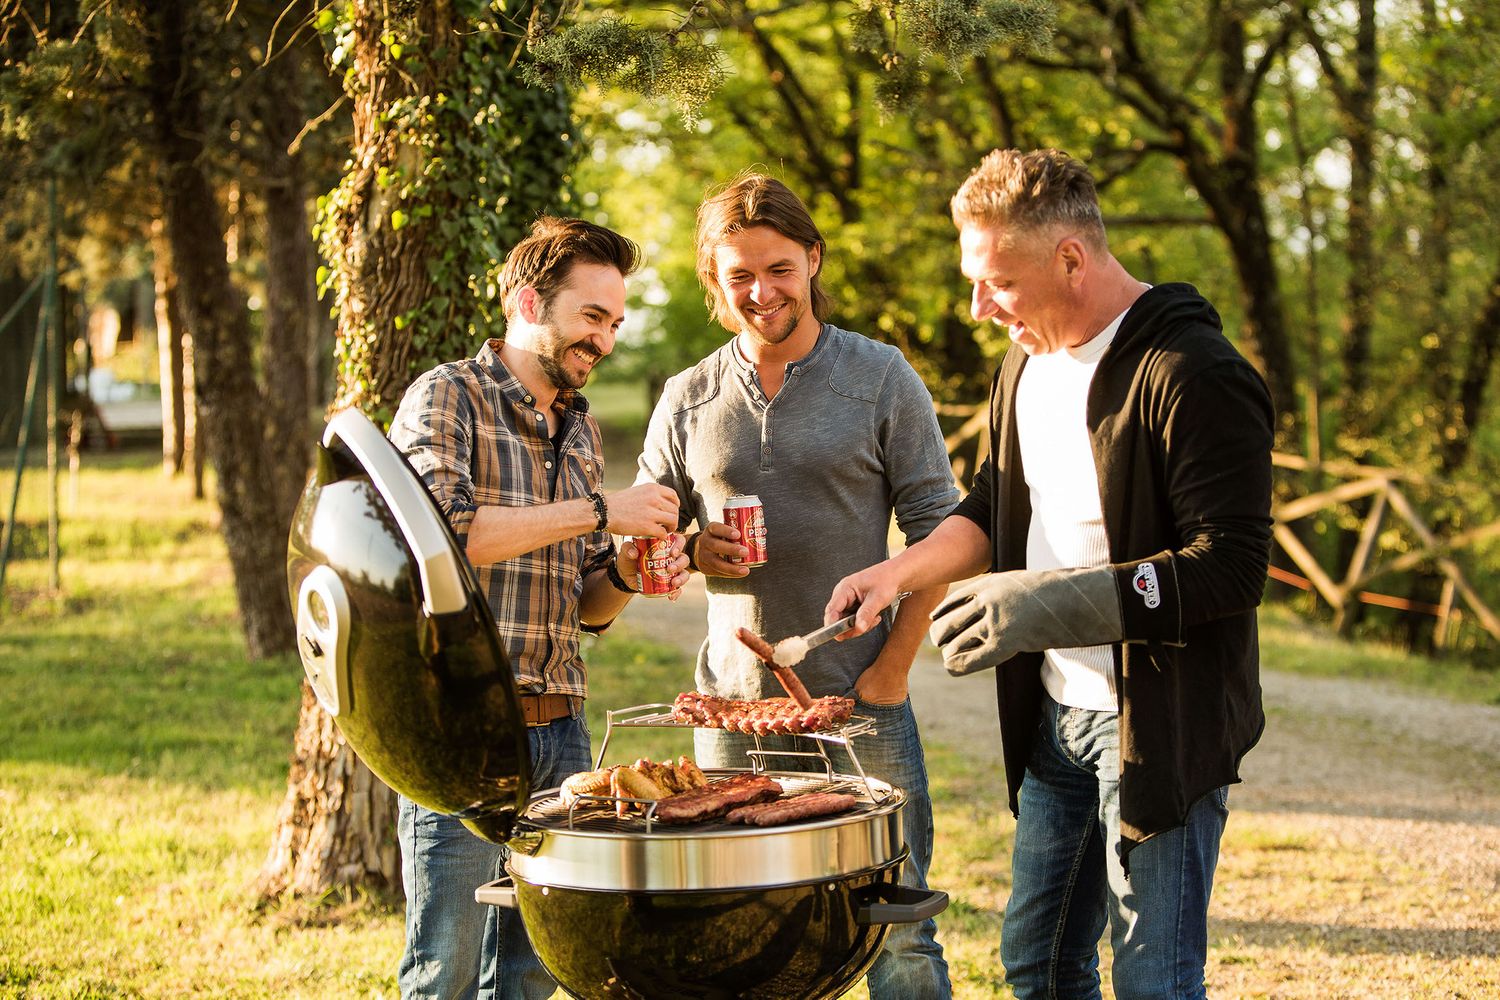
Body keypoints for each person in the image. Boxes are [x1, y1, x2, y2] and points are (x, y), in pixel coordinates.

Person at [826, 148, 1274, 999]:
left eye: (996, 283)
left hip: (1157, 726)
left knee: (1153, 982)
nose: (978, 308)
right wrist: (897, 571)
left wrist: (1044, 605)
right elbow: (1000, 502)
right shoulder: (1026, 362)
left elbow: (1232, 569)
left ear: (1071, 257)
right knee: (1037, 965)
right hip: (1055, 722)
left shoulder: (1194, 373)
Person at [635, 172, 957, 999]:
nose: (761, 290)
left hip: (859, 708)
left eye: (778, 268)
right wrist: (691, 553)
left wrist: (890, 675)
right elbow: (651, 536)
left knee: (898, 924)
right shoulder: (688, 396)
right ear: (714, 278)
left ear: (812, 260)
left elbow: (944, 538)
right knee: (735, 925)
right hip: (732, 712)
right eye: (738, 273)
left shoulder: (882, 377)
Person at [388, 216, 688, 1000]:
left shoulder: (579, 427)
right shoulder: (446, 396)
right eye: (592, 317)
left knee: (534, 973)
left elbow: (588, 610)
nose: (607, 341)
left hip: (561, 735)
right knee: (444, 970)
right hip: (460, 729)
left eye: (616, 323)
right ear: (529, 301)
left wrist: (624, 569)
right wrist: (601, 512)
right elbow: (444, 538)